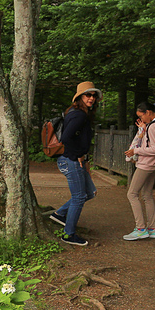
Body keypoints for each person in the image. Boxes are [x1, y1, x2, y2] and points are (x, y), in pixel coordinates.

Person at [48, 81, 100, 246]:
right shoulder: (79, 114)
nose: (91, 98)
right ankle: (69, 235)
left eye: (93, 95)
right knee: (79, 197)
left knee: (90, 192)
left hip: (74, 159)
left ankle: (60, 214)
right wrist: (78, 154)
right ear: (80, 97)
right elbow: (66, 137)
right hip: (70, 160)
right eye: (87, 95)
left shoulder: (78, 112)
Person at [122, 101, 155, 240]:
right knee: (147, 195)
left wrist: (136, 150)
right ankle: (152, 229)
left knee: (132, 194)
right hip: (154, 164)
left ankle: (140, 228)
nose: (141, 120)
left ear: (148, 112)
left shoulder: (153, 127)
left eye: (141, 116)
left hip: (146, 165)